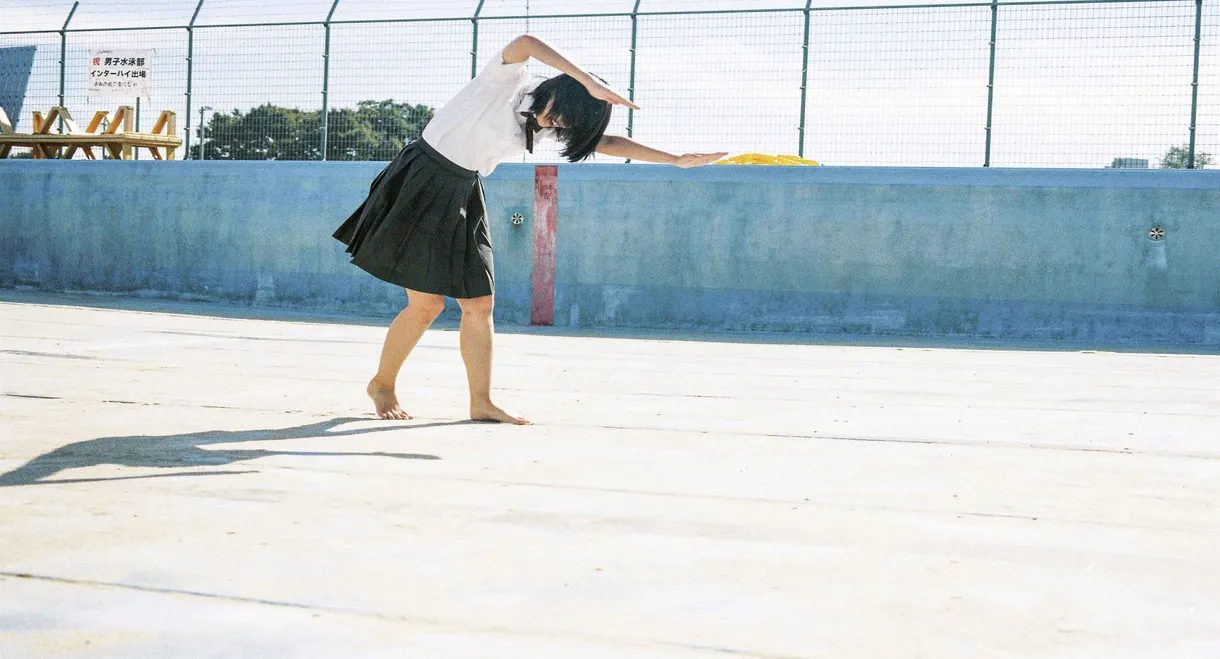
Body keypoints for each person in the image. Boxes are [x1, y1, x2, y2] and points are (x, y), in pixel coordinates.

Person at [333, 34, 728, 424]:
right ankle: (382, 384)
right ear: (556, 87)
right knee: (427, 305)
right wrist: (588, 81)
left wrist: (675, 159)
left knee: (480, 303)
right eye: (559, 112)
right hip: (421, 179)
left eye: (566, 123)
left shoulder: (543, 128)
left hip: (465, 190)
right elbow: (526, 41)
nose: (555, 123)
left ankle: (481, 402)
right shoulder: (504, 83)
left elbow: (608, 141)